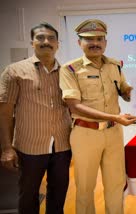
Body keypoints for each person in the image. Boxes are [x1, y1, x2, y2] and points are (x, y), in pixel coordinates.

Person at [59, 19, 136, 214]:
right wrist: (115, 116)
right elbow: (74, 105)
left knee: (115, 184)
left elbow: (123, 92)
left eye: (99, 38)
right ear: (79, 43)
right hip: (86, 133)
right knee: (85, 188)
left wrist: (135, 93)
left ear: (105, 41)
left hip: (113, 133)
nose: (95, 43)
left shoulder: (116, 66)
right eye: (89, 39)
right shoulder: (70, 69)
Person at [0, 22, 72, 214]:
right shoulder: (14, 71)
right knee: (28, 194)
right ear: (32, 42)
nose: (46, 41)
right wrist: (7, 148)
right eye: (40, 38)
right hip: (30, 146)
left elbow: (73, 107)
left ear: (58, 44)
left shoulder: (68, 72)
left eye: (51, 38)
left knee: (59, 193)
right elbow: (5, 111)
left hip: (62, 146)